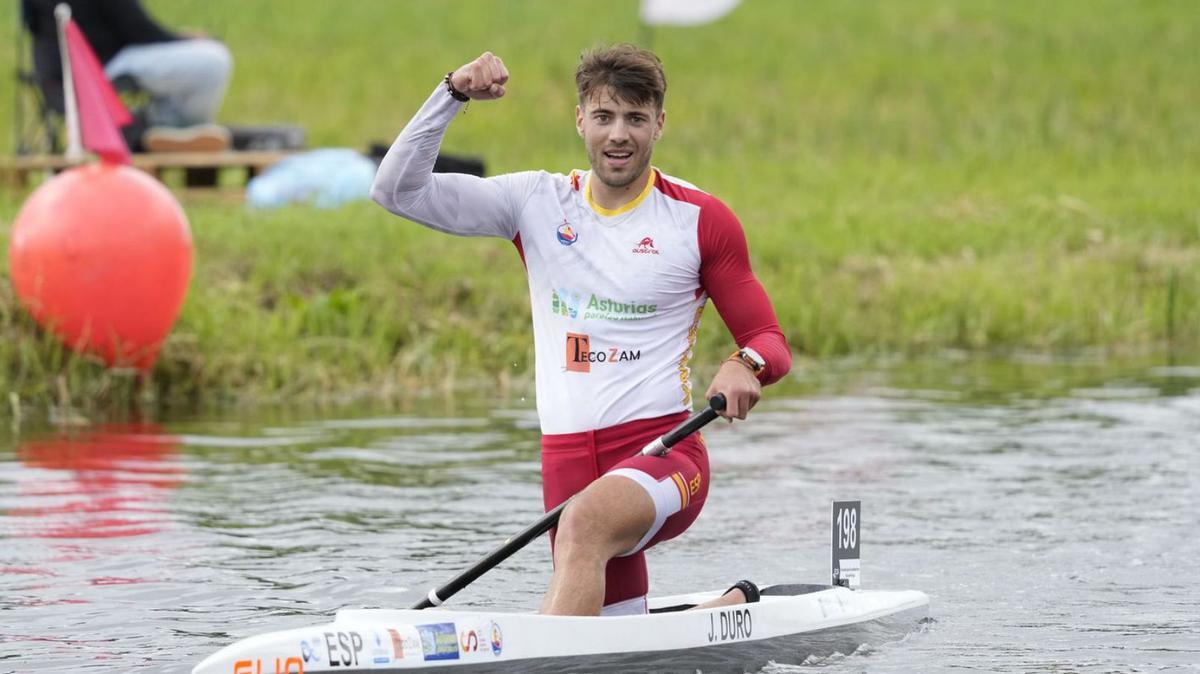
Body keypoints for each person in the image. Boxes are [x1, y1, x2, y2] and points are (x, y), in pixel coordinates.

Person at [371, 45, 792, 616]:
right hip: (566, 463)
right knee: (612, 627)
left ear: (659, 125)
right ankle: (726, 609)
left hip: (664, 455)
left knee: (585, 526)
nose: (619, 135)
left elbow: (769, 339)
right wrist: (452, 94)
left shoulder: (699, 220)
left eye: (635, 119)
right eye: (604, 117)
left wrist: (745, 364)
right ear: (580, 120)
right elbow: (396, 191)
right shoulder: (535, 202)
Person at [22, 0, 233, 152]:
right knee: (215, 60)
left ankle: (163, 130)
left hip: (54, 73)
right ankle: (167, 129)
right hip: (103, 66)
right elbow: (138, 30)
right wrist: (186, 40)